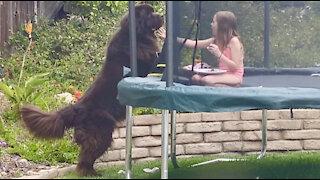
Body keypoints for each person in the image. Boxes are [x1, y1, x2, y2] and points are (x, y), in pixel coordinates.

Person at [155, 11, 244, 87]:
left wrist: (219, 54)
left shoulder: (234, 41)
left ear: (222, 26)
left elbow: (235, 67)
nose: (211, 24)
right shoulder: (216, 40)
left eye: (214, 22)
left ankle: (233, 90)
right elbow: (193, 44)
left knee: (207, 80)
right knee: (195, 78)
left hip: (234, 75)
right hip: (222, 73)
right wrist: (170, 38)